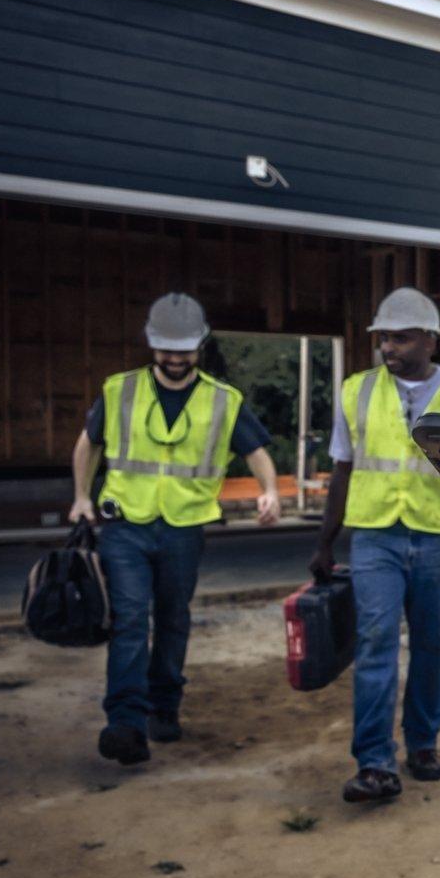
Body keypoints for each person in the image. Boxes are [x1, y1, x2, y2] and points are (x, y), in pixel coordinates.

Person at [69, 292, 281, 765]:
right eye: (166, 349)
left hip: (184, 527)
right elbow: (89, 445)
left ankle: (164, 707)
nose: (175, 358)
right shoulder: (119, 390)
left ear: (199, 346)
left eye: (184, 349)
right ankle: (124, 722)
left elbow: (257, 452)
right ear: (151, 344)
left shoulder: (223, 401)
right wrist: (82, 497)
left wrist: (270, 490)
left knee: (172, 619)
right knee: (128, 619)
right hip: (125, 524)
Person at [312, 287, 440, 804]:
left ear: (431, 340)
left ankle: (423, 744)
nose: (389, 347)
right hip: (375, 538)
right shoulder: (356, 391)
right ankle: (373, 763)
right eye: (383, 338)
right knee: (375, 642)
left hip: (439, 538)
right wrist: (325, 543)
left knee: (433, 645)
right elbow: (342, 469)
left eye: (401, 337)